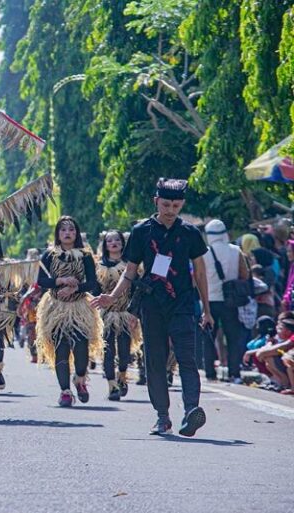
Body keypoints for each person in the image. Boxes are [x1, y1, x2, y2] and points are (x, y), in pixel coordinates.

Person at [93, 178, 213, 437]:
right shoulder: (141, 231)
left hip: (182, 303)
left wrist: (207, 309)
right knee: (155, 361)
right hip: (152, 304)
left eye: (177, 205)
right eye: (166, 204)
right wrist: (111, 297)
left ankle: (192, 409)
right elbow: (130, 272)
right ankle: (163, 417)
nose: (171, 210)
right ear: (156, 201)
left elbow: (201, 273)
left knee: (187, 358)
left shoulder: (190, 232)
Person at [36, 216, 102, 407]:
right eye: (63, 230)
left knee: (81, 345)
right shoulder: (49, 255)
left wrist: (75, 288)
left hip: (79, 307)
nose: (67, 233)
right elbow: (41, 281)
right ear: (57, 233)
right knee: (61, 349)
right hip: (55, 308)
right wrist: (60, 281)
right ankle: (65, 392)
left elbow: (92, 283)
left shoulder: (86, 256)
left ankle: (80, 379)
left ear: (77, 233)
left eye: (71, 229)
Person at [202, 219, 250, 384]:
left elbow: (197, 278)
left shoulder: (203, 253)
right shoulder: (236, 251)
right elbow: (245, 275)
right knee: (232, 337)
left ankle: (210, 373)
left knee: (209, 337)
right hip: (231, 300)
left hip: (209, 301)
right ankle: (234, 372)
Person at [96, 230, 142, 401]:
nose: (114, 243)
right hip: (105, 315)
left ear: (123, 244)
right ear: (105, 245)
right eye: (110, 241)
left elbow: (136, 291)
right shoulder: (99, 266)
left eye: (117, 240)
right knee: (108, 350)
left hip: (125, 314)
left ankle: (122, 376)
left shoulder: (131, 267)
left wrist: (134, 313)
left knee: (124, 352)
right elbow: (95, 291)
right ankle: (112, 386)